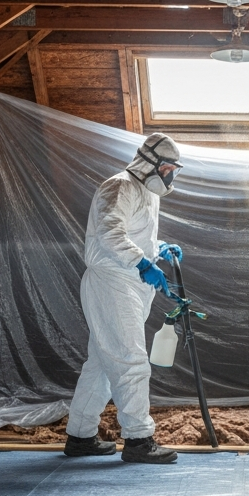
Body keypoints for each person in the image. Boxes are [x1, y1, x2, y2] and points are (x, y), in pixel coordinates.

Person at [64, 133, 184, 464]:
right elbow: (109, 233)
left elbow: (136, 236)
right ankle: (139, 440)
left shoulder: (147, 193)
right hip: (112, 283)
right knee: (131, 361)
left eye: (173, 170)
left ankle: (80, 436)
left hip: (130, 284)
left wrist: (158, 249)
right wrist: (142, 263)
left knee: (101, 365)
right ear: (151, 164)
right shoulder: (119, 186)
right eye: (168, 168)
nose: (170, 176)